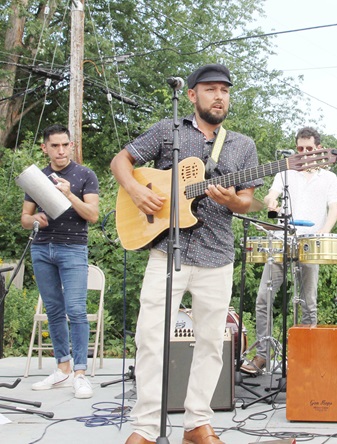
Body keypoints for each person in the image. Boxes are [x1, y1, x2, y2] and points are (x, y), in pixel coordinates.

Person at [111, 64, 262, 444]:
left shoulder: (242, 145)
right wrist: (135, 190)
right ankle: (145, 428)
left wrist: (236, 201)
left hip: (217, 254)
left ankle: (196, 423)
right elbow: (121, 161)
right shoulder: (169, 131)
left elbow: (249, 200)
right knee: (150, 338)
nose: (219, 96)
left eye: (224, 91)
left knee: (212, 343)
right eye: (210, 89)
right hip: (166, 251)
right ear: (192, 95)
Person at [241, 127, 337, 375]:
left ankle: (308, 355)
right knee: (264, 298)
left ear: (318, 149)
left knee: (308, 302)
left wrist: (323, 233)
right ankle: (263, 354)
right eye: (300, 148)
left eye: (309, 149)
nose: (304, 153)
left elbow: (334, 209)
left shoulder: (328, 178)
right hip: (280, 239)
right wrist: (271, 202)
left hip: (310, 243)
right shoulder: (286, 172)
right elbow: (270, 196)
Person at [21, 124, 100, 399]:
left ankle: (80, 373)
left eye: (65, 144)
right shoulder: (38, 177)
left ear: (71, 145)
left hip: (73, 249)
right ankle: (62, 368)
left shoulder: (84, 175)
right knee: (54, 311)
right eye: (54, 145)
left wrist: (68, 194)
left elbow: (92, 215)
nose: (61, 150)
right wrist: (35, 220)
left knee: (76, 310)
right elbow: (24, 218)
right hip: (42, 249)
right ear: (45, 148)